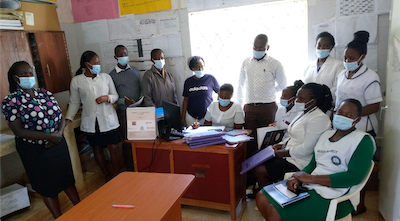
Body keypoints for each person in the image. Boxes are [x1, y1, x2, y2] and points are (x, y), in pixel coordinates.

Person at [256, 99, 375, 221]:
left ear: (357, 119)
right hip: (310, 186)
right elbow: (313, 164)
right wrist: (296, 178)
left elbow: (353, 177)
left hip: (336, 194)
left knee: (274, 212)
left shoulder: (363, 141)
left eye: (349, 115)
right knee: (261, 196)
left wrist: (311, 178)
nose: (342, 117)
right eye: (340, 112)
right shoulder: (326, 135)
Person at [2, 61, 80, 218]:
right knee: (47, 187)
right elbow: (18, 130)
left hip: (58, 145)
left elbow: (61, 117)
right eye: (24, 74)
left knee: (67, 180)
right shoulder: (11, 101)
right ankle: (59, 217)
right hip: (36, 151)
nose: (29, 77)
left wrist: (57, 134)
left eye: (30, 73)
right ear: (16, 78)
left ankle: (82, 209)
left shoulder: (45, 93)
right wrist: (49, 136)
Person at [335, 30, 382, 214]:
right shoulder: (341, 75)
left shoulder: (371, 77)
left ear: (362, 57)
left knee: (361, 168)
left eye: (351, 58)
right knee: (345, 165)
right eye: (345, 57)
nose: (347, 61)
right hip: (343, 128)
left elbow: (375, 106)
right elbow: (338, 101)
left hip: (363, 128)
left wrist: (351, 114)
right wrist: (339, 117)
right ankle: (346, 200)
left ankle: (360, 204)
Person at [254, 83, 332, 189]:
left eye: (301, 98)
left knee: (260, 169)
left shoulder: (319, 118)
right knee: (258, 156)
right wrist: (280, 145)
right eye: (297, 98)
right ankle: (266, 192)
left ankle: (269, 197)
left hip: (301, 161)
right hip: (289, 155)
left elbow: (307, 149)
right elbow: (293, 136)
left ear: (312, 101)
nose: (297, 101)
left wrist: (283, 153)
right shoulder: (304, 113)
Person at [66, 51, 122, 182]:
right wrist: (68, 118)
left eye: (99, 62)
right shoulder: (77, 81)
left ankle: (118, 174)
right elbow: (74, 102)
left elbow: (115, 96)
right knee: (97, 148)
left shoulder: (105, 77)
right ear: (87, 64)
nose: (98, 65)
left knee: (113, 147)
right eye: (95, 63)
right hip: (91, 122)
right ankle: (107, 175)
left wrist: (107, 97)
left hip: (108, 119)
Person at [237, 34, 287, 157]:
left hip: (268, 107)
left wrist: (269, 91)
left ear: (267, 47)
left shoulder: (275, 63)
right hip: (250, 107)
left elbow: (283, 84)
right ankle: (251, 170)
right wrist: (239, 104)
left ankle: (265, 166)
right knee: (250, 139)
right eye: (255, 47)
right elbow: (241, 84)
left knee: (267, 139)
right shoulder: (246, 62)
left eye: (261, 48)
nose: (257, 50)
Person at [109, 45, 142, 171]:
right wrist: (124, 101)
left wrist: (141, 97)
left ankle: (140, 164)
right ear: (115, 57)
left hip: (138, 109)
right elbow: (112, 96)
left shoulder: (135, 71)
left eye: (125, 54)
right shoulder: (112, 75)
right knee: (127, 141)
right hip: (124, 112)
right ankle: (130, 168)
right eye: (121, 55)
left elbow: (141, 87)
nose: (124, 57)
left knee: (140, 138)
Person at [303, 32, 344, 102]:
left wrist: (320, 98)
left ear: (331, 47)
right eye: (319, 45)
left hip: (326, 105)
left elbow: (337, 88)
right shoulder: (308, 67)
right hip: (308, 104)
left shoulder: (339, 65)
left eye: (326, 46)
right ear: (315, 45)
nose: (321, 48)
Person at [181, 56, 220, 126]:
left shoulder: (210, 78)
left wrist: (217, 109)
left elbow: (220, 93)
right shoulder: (188, 82)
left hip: (207, 115)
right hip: (191, 116)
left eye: (202, 67)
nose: (200, 69)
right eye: (197, 67)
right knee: (192, 136)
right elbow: (185, 100)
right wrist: (183, 117)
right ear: (192, 69)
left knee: (206, 135)